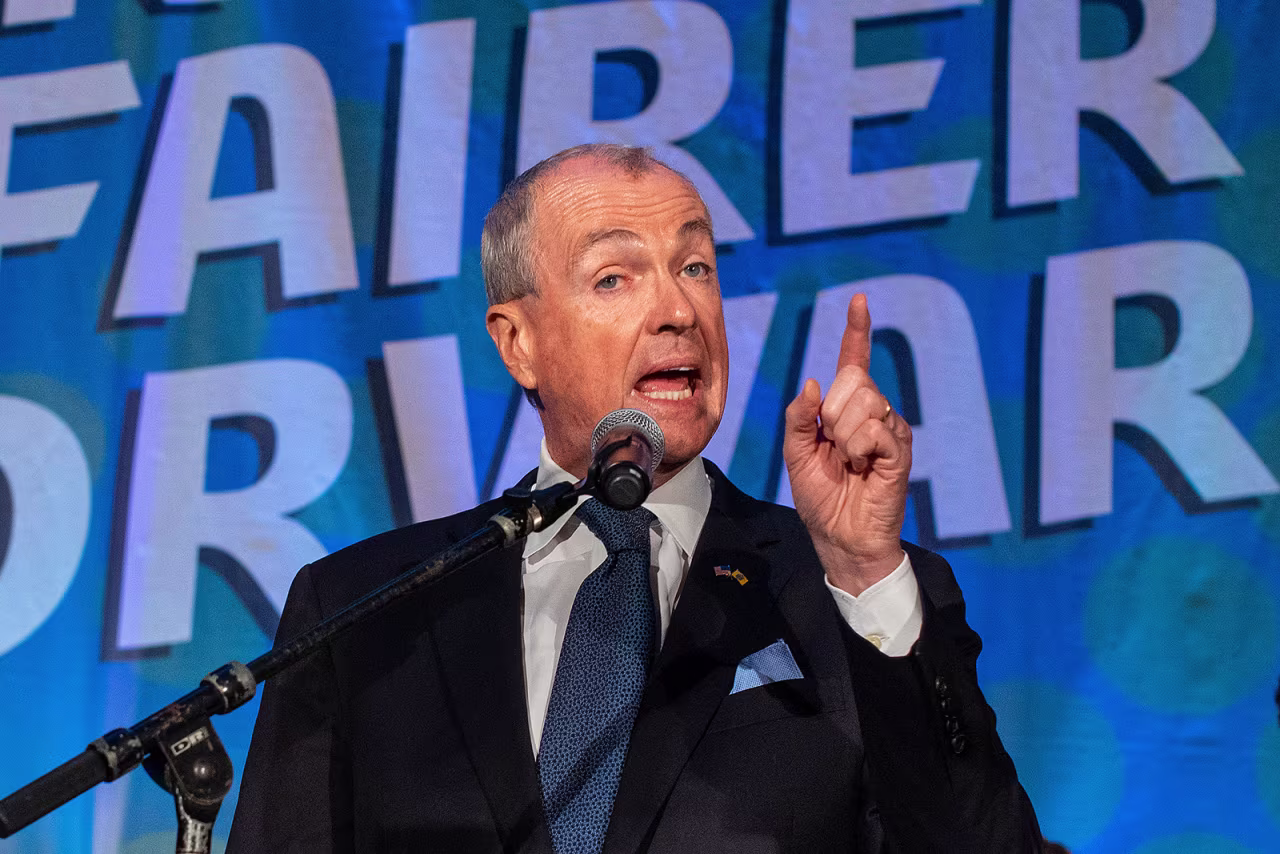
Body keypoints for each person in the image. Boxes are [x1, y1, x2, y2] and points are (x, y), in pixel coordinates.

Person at [227, 144, 1043, 852]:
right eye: (615, 276)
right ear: (519, 343)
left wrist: (864, 572)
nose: (679, 310)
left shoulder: (846, 588)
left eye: (696, 268)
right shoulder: (364, 613)